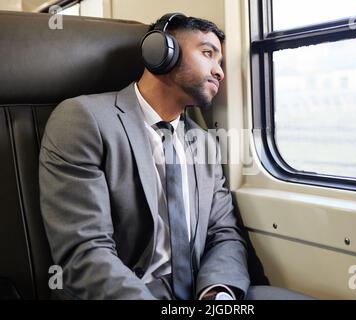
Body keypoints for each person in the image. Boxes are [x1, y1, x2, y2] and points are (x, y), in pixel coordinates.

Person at [39, 13, 311, 300]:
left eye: (220, 63)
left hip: (198, 290)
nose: (219, 72)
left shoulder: (204, 142)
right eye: (208, 53)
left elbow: (224, 233)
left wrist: (216, 294)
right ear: (161, 52)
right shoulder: (84, 119)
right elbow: (86, 251)